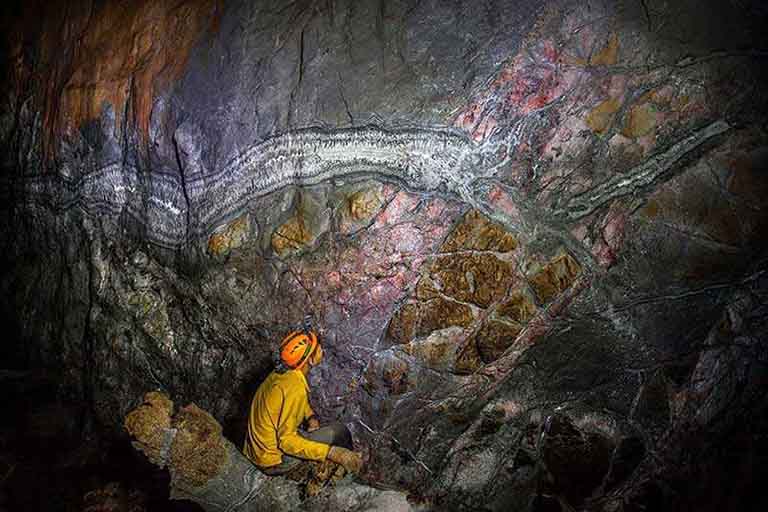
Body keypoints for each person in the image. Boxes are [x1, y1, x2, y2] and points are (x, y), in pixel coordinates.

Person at [243, 329, 363, 476]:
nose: (321, 349)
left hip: (256, 449)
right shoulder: (296, 387)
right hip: (273, 460)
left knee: (325, 431)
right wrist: (332, 453)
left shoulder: (282, 372)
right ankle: (350, 471)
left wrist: (310, 417)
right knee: (339, 431)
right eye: (318, 347)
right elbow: (286, 442)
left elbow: (286, 402)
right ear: (310, 360)